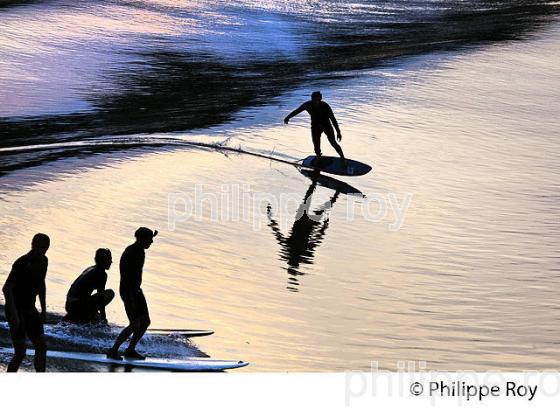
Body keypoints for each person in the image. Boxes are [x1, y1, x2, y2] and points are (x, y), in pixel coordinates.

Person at [106, 227, 157, 360]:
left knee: (145, 321)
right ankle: (113, 349)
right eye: (149, 239)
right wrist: (131, 299)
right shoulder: (132, 252)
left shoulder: (140, 251)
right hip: (129, 291)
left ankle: (130, 349)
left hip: (136, 290)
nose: (151, 242)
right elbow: (127, 276)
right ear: (141, 238)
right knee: (135, 324)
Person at [2, 233, 50, 372]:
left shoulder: (44, 261)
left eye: (44, 248)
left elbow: (41, 285)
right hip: (15, 309)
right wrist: (15, 316)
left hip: (30, 308)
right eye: (38, 247)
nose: (41, 250)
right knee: (20, 352)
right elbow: (7, 288)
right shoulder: (22, 262)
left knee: (42, 347)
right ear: (32, 245)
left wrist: (43, 309)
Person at [284, 91, 347, 166]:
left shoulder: (325, 105)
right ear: (312, 99)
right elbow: (297, 111)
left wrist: (338, 132)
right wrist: (288, 117)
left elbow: (333, 119)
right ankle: (318, 157)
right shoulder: (308, 104)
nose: (316, 102)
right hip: (315, 126)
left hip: (326, 125)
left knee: (333, 143)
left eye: (318, 100)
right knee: (316, 144)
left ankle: (342, 158)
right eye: (314, 100)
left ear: (320, 98)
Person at [64, 248, 115, 323]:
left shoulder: (91, 268)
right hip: (76, 306)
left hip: (69, 304)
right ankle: (84, 315)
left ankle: (81, 315)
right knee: (110, 293)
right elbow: (100, 297)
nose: (111, 262)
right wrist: (103, 317)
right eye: (109, 259)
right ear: (103, 261)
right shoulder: (101, 274)